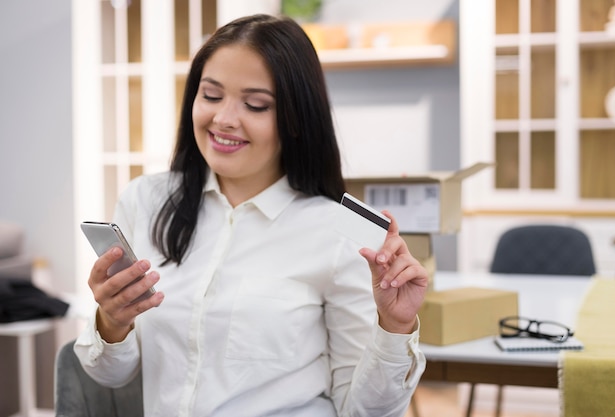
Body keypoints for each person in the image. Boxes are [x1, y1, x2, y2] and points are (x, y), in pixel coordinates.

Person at [75, 13, 428, 417]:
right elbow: (109, 375)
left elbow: (363, 411)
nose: (223, 119)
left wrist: (394, 327)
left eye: (256, 104)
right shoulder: (146, 200)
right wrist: (112, 322)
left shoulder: (344, 231)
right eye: (210, 95)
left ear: (297, 119)